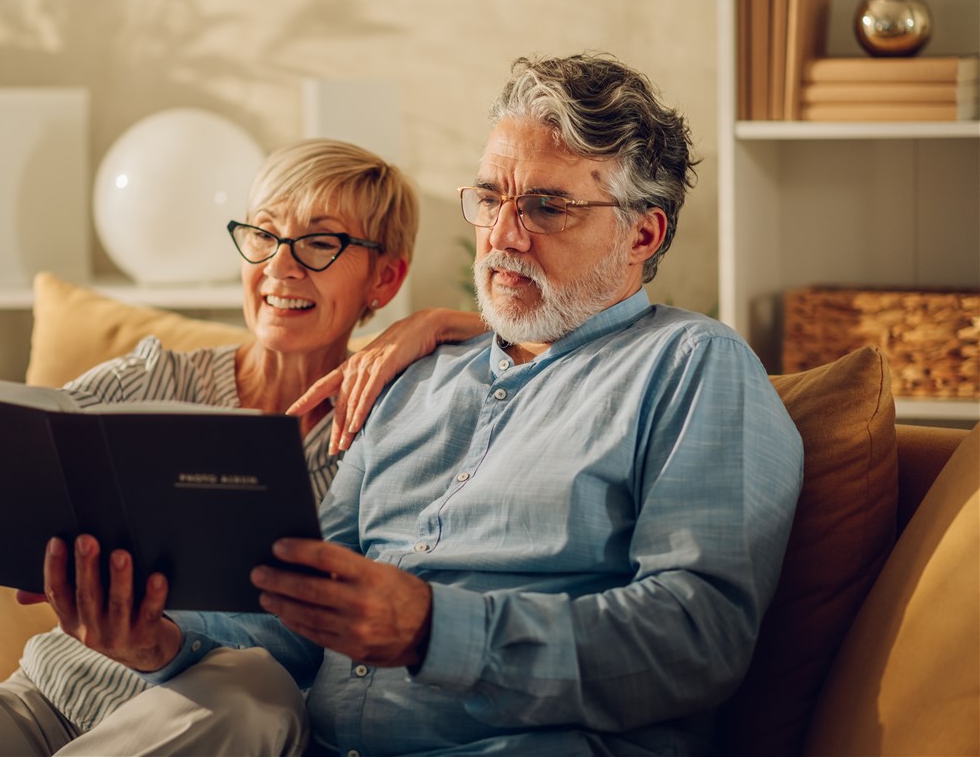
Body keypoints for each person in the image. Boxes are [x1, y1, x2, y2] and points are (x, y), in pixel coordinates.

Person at [93, 52, 802, 755]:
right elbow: (300, 615)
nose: (503, 235)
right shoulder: (412, 380)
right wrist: (161, 638)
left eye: (548, 206)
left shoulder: (692, 367)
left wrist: (434, 631)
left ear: (641, 234)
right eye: (491, 198)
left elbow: (698, 640)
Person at [0, 138, 483, 756]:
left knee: (254, 687)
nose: (281, 266)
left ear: (384, 280)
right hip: (50, 701)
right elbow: (28, 460)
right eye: (264, 235)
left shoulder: (392, 428)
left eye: (320, 243)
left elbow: (552, 346)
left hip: (219, 717)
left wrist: (433, 322)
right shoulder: (156, 375)